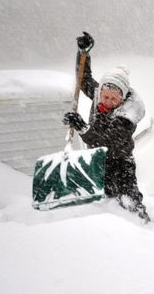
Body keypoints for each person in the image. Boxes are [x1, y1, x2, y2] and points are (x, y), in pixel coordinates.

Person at [63, 32, 149, 222]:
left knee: (129, 201)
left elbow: (104, 140)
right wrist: (83, 54)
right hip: (99, 160)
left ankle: (144, 226)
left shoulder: (128, 113)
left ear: (122, 97)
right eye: (105, 96)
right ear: (100, 91)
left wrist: (82, 127)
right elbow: (83, 79)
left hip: (120, 162)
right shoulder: (99, 93)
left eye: (113, 99)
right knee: (105, 202)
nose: (108, 101)